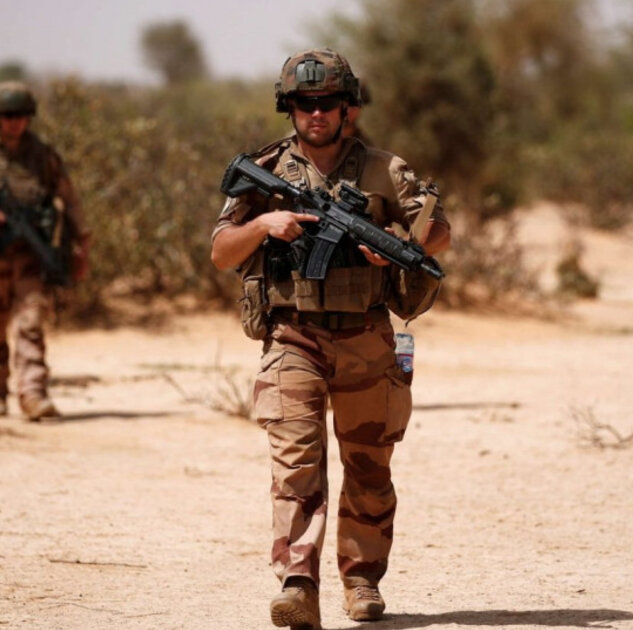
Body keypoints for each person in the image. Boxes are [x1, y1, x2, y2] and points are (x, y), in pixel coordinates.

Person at [211, 49, 451, 629]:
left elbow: (438, 233)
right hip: (293, 336)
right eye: (304, 103)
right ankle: (298, 585)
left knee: (369, 466)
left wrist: (397, 243)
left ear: (349, 108)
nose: (315, 113)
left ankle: (362, 580)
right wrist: (263, 224)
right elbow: (221, 251)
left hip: (367, 335)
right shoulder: (266, 169)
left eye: (328, 103)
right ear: (288, 107)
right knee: (296, 463)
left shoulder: (385, 169)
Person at [0, 80, 90, 421]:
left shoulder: (43, 157)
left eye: (22, 116)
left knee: (31, 322)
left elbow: (70, 200)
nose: (15, 123)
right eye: (8, 116)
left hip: (28, 255)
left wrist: (82, 244)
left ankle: (33, 392)